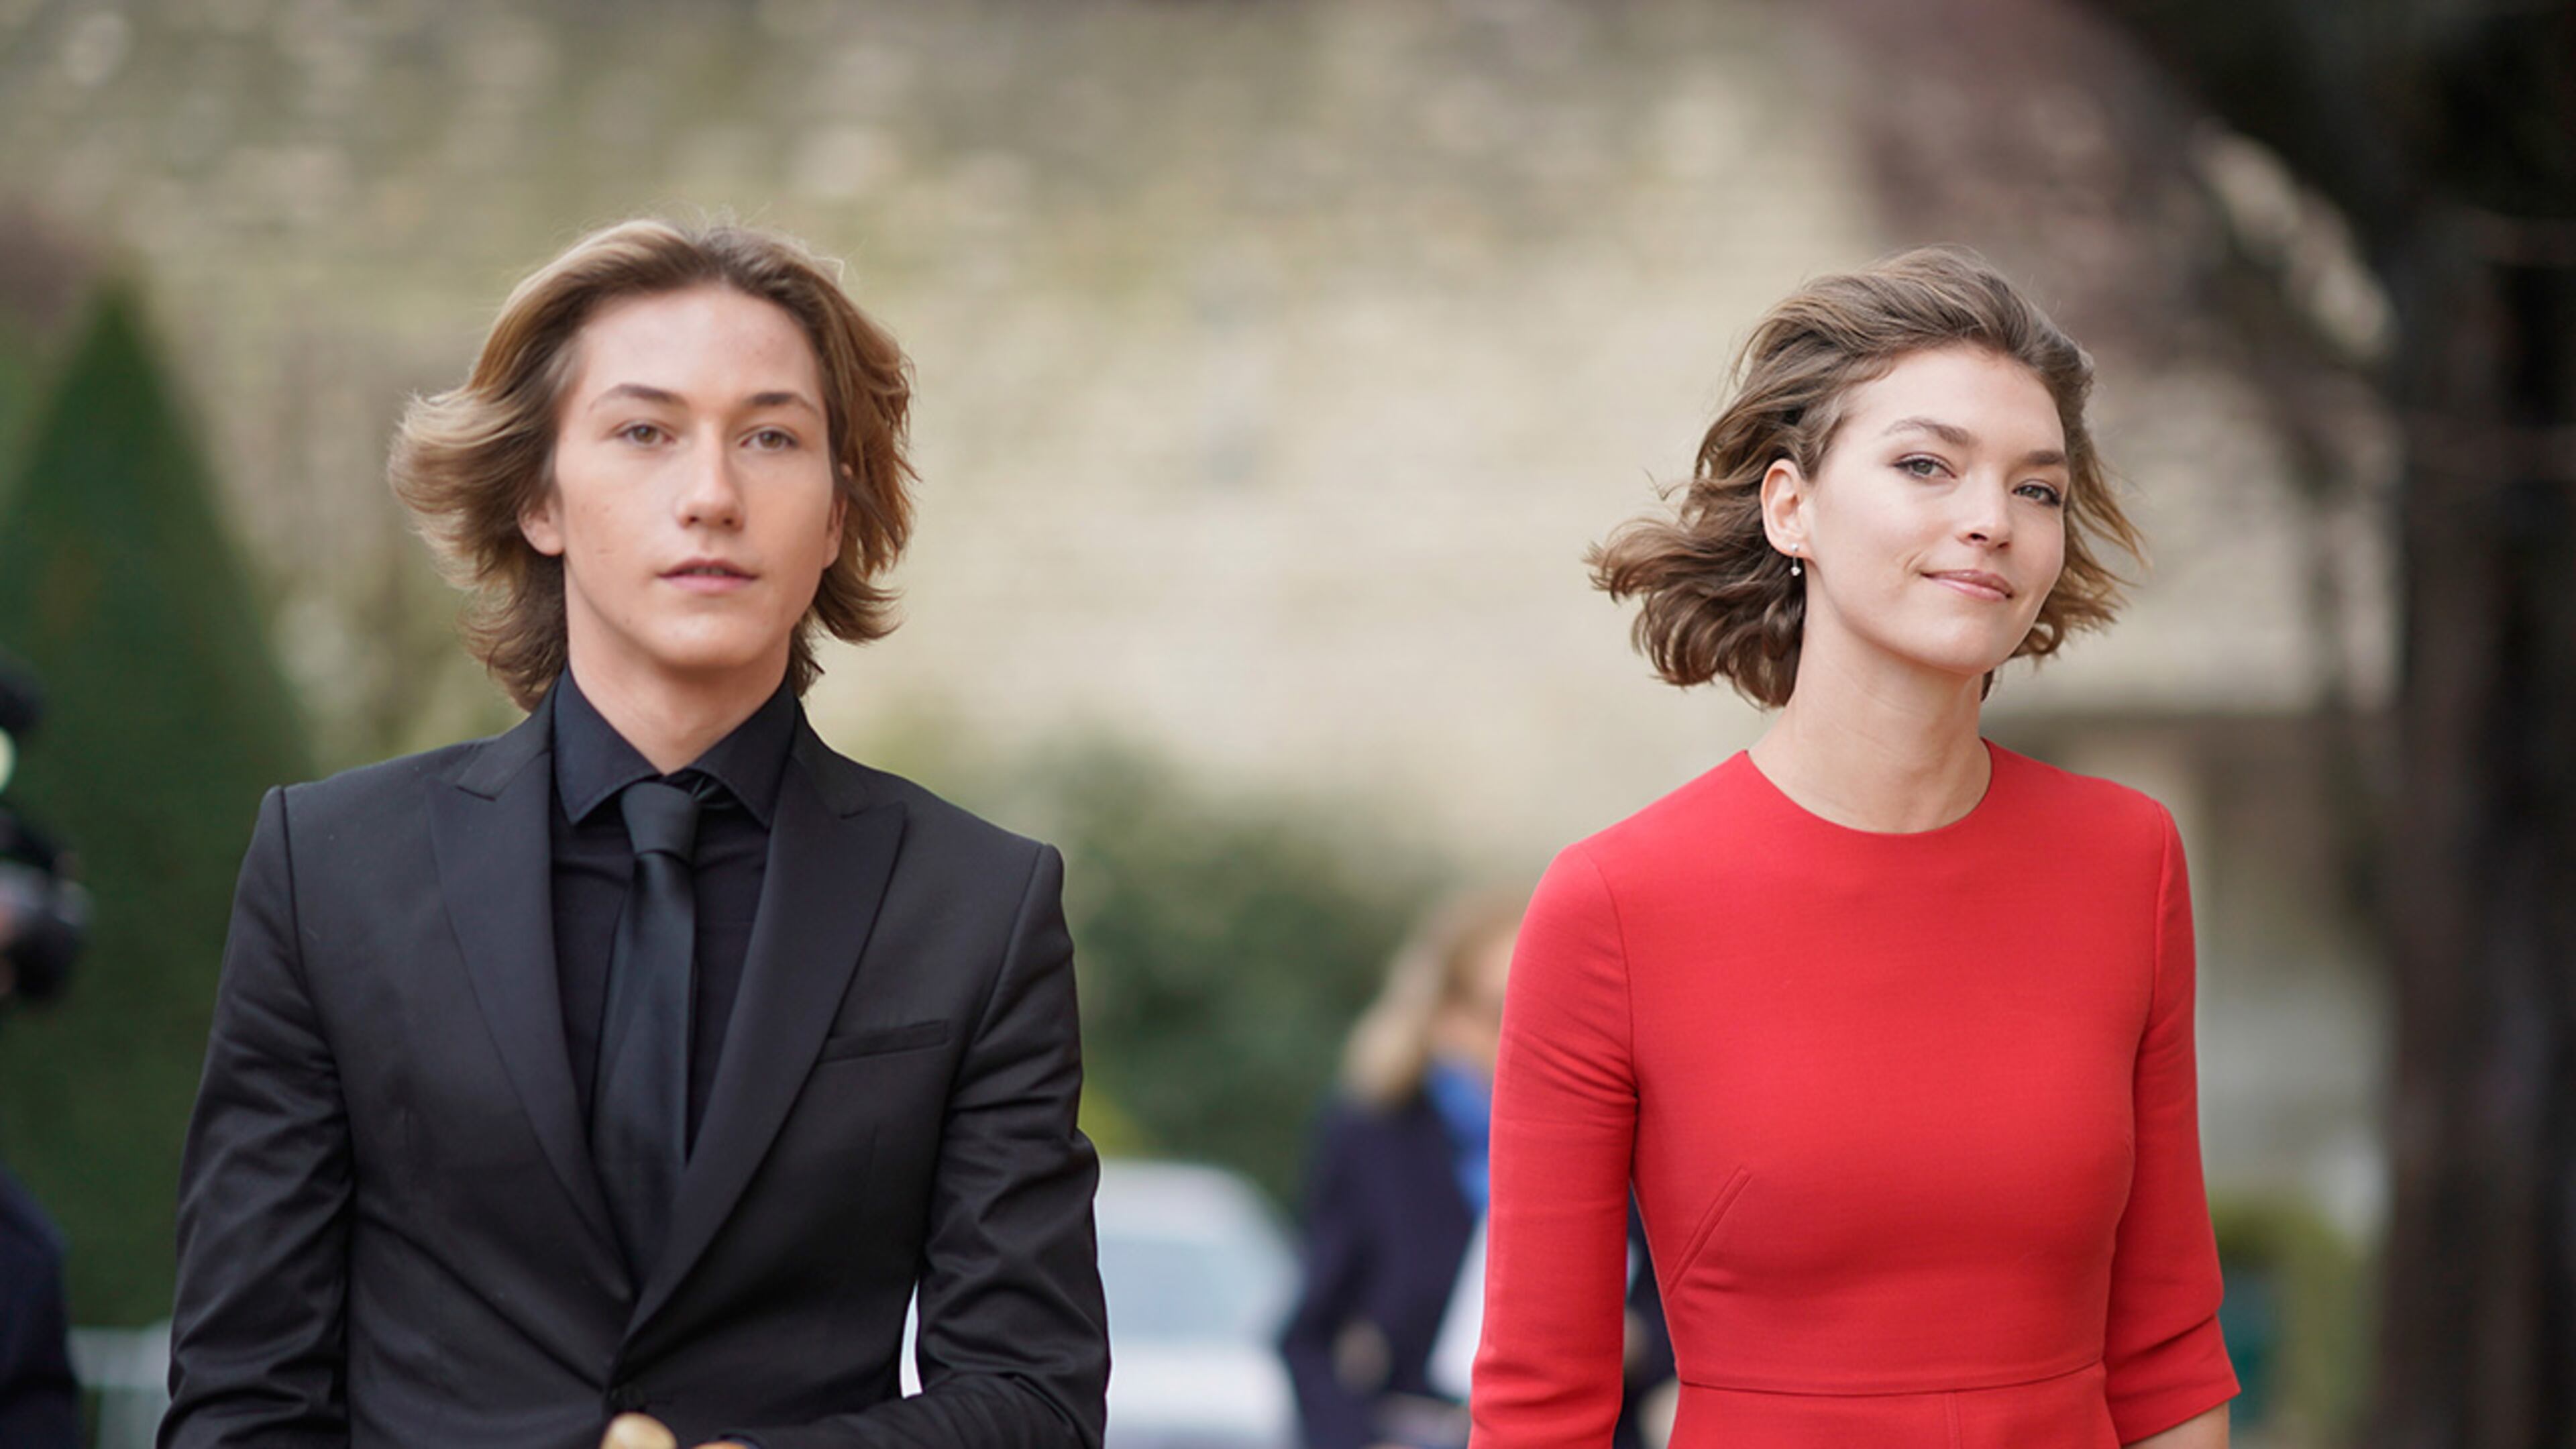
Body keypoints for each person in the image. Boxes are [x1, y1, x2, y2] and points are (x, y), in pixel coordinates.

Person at [162, 219, 1109, 1449]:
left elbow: (1037, 1401)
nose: (712, 495)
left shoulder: (979, 906)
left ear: (835, 516)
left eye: (772, 437)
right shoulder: (329, 868)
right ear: (539, 497)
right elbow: (244, 1398)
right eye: (644, 431)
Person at [1470, 248, 2239, 1448]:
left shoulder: (2126, 861)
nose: (1990, 519)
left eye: (2037, 489)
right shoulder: (1615, 905)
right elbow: (1541, 1410)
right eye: (1926, 465)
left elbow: (2167, 1358)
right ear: (1793, 507)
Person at [1283, 891, 1672, 1449]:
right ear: (1446, 1017)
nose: (1536, 1037)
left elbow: (1680, 1322)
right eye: (1506, 1012)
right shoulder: (1377, 1132)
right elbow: (1309, 1334)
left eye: (1559, 1012)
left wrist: (1632, 1343)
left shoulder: (1624, 1136)